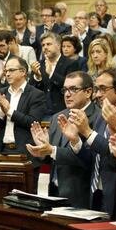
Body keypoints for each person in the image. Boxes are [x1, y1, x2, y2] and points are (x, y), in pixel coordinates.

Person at [27, 71, 98, 208]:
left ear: (88, 92)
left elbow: (90, 160)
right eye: (65, 89)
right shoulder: (57, 117)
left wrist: (52, 150)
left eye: (73, 89)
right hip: (54, 193)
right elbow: (54, 157)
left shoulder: (97, 117)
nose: (67, 94)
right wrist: (44, 150)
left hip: (80, 196)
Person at [70, 68, 116, 216]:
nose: (97, 95)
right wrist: (75, 142)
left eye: (103, 89)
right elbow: (94, 157)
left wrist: (88, 132)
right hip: (96, 191)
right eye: (96, 89)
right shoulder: (101, 115)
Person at [0, 56, 46, 193]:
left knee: (26, 199)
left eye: (11, 70)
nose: (7, 73)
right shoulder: (2, 92)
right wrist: (2, 111)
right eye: (6, 70)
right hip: (4, 152)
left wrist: (9, 111)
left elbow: (33, 122)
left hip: (26, 153)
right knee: (2, 197)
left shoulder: (36, 94)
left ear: (23, 72)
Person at [29, 32, 79, 118]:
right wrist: (37, 77)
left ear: (59, 46)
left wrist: (51, 73)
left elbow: (72, 87)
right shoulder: (38, 65)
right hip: (41, 113)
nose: (45, 47)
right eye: (43, 45)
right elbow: (31, 90)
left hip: (63, 112)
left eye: (49, 44)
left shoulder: (71, 64)